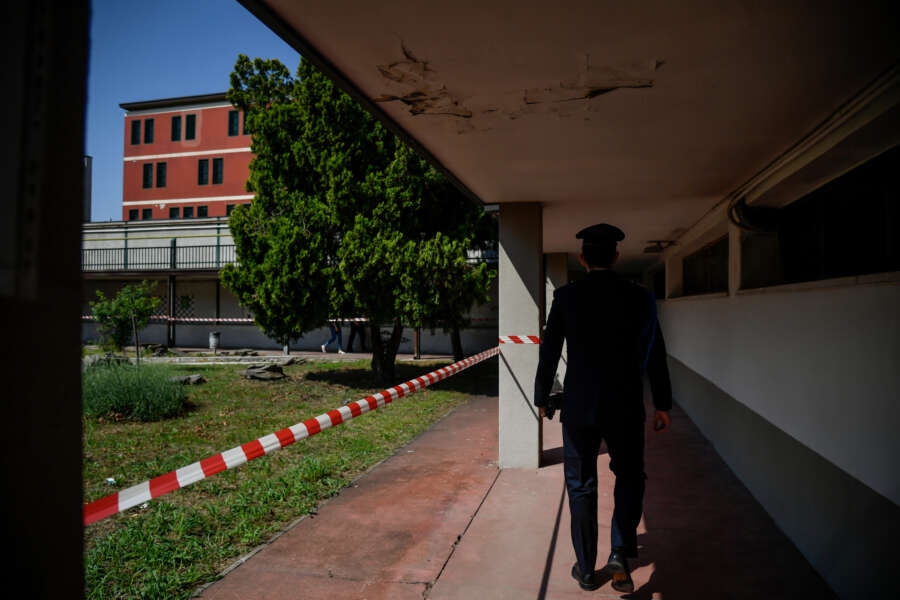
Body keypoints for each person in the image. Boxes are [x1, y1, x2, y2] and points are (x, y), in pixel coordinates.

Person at [534, 223, 672, 593]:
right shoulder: (640, 298)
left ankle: (585, 566)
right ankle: (620, 552)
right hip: (625, 406)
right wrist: (662, 403)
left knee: (581, 485)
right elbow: (655, 352)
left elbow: (549, 351)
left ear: (582, 258)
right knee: (629, 476)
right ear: (615, 256)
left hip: (579, 407)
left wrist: (541, 397)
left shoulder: (565, 298)